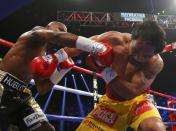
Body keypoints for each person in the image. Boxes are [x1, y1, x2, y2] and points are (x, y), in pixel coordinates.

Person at [75, 21, 166, 131]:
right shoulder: (114, 40)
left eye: (146, 56)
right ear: (132, 38)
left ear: (154, 53)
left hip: (138, 100)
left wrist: (102, 68)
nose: (138, 57)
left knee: (155, 129)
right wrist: (60, 57)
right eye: (136, 50)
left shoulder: (156, 62)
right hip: (111, 101)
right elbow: (78, 44)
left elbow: (130, 93)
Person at [0, 21, 80, 131]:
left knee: (46, 129)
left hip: (21, 94)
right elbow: (54, 35)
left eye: (65, 32)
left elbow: (42, 88)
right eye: (60, 29)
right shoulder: (35, 33)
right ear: (48, 26)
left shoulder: (44, 56)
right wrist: (90, 45)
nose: (63, 33)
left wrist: (61, 72)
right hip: (3, 83)